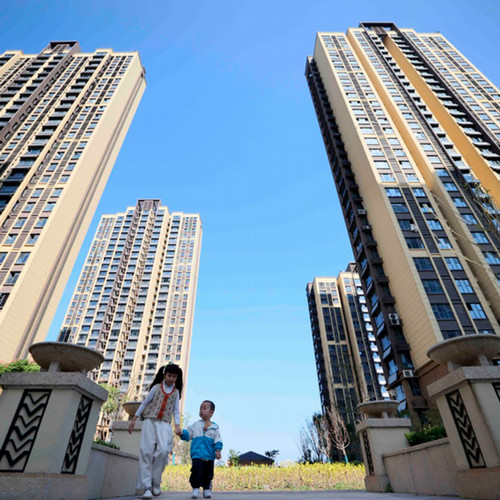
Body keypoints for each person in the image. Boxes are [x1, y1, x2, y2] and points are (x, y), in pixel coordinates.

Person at [128, 363, 183, 499]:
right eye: (169, 375)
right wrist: (134, 419)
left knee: (164, 450)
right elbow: (145, 403)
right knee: (146, 451)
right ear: (164, 375)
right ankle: (147, 487)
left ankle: (156, 482)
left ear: (177, 378)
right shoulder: (156, 387)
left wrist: (177, 425)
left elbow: (176, 411)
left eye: (174, 377)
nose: (171, 379)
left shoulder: (176, 393)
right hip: (149, 421)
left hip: (164, 424)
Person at [176, 400, 223, 499]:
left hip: (209, 456)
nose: (201, 410)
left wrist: (218, 450)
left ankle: (206, 489)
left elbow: (217, 440)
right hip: (197, 455)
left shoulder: (215, 427)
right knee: (196, 472)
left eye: (204, 408)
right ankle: (195, 488)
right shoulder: (196, 425)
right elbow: (188, 434)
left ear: (211, 412)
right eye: (200, 408)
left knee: (208, 473)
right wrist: (181, 433)